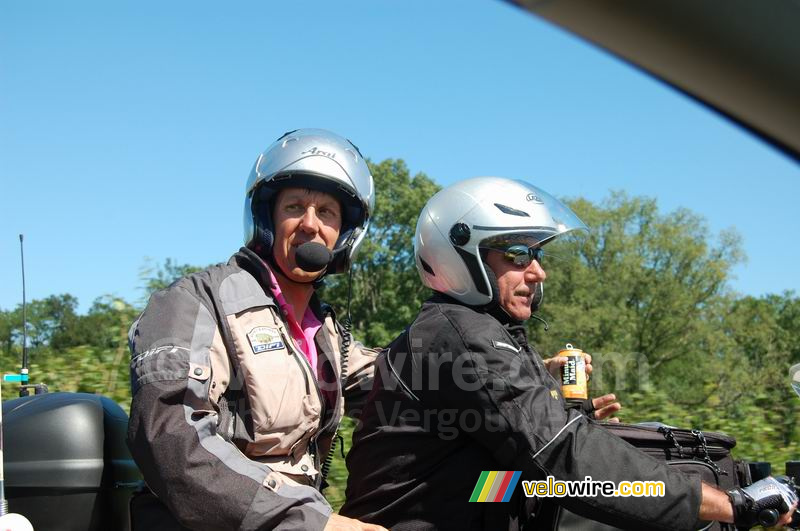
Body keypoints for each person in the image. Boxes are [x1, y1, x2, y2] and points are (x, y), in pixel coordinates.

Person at [341, 177, 797, 530]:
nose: (538, 271)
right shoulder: (462, 334)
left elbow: (491, 478)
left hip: (461, 508)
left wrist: (565, 417)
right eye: (518, 253)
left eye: (538, 253)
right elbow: (564, 456)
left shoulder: (471, 330)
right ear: (462, 258)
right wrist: (726, 504)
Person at [127, 129, 386, 530]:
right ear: (267, 218)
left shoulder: (327, 333)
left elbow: (397, 382)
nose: (310, 225)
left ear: (345, 235)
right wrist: (316, 523)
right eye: (295, 207)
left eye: (327, 213)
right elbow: (169, 436)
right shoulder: (195, 302)